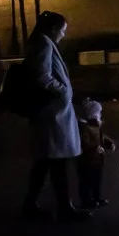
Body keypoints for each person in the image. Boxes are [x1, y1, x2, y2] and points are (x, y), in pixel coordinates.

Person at [20, 11, 90, 222]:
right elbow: (42, 76)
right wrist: (62, 90)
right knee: (56, 161)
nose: (63, 34)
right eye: (62, 30)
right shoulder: (44, 44)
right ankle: (64, 208)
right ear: (53, 29)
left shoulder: (40, 43)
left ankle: (32, 205)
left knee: (45, 162)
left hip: (50, 114)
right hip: (53, 115)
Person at [76, 98, 115, 209]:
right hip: (86, 161)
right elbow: (84, 143)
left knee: (97, 180)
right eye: (98, 112)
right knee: (86, 182)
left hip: (97, 160)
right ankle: (87, 201)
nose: (100, 114)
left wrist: (108, 143)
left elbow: (101, 137)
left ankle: (97, 198)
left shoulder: (95, 125)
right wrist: (95, 148)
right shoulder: (84, 128)